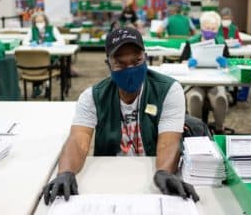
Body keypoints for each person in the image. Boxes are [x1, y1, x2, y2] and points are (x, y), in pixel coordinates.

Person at [43, 27, 199, 204]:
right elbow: (78, 139)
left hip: (153, 174)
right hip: (110, 176)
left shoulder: (168, 90)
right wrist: (66, 172)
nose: (130, 69)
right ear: (108, 64)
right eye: (120, 63)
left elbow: (169, 140)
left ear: (145, 57)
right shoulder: (93, 96)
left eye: (136, 60)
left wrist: (164, 171)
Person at [185, 11, 229, 134]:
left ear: (218, 29)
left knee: (220, 98)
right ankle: (197, 130)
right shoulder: (192, 42)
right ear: (201, 27)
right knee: (195, 98)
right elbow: (181, 62)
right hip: (195, 82)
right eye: (207, 28)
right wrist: (187, 63)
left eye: (213, 28)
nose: (209, 31)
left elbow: (229, 64)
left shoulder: (221, 43)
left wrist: (225, 63)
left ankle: (220, 129)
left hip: (215, 82)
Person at [23, 12, 66, 97]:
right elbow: (24, 42)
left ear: (46, 21)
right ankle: (37, 87)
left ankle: (47, 85)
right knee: (35, 65)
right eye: (37, 22)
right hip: (36, 57)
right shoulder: (32, 30)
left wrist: (51, 44)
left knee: (45, 66)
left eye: (41, 21)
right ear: (34, 22)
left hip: (50, 56)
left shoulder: (52, 29)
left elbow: (62, 42)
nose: (39, 23)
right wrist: (31, 43)